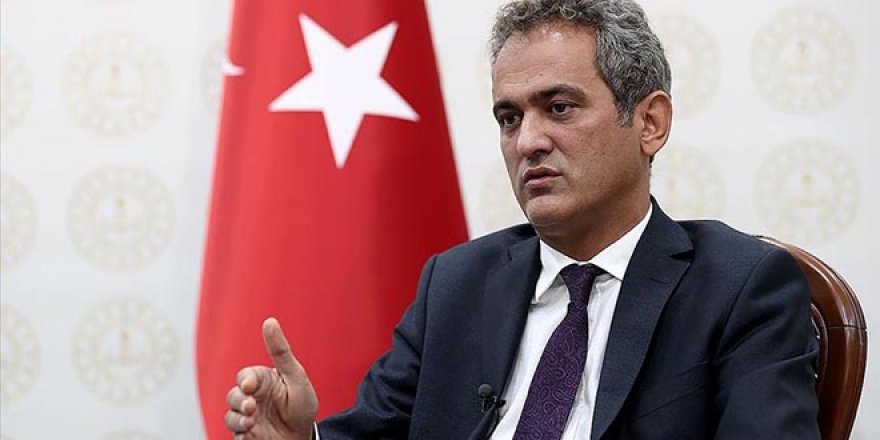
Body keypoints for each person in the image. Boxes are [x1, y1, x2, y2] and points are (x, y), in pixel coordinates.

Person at [224, 0, 820, 438]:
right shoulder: (455, 284)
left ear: (649, 123)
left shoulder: (740, 287)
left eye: (558, 108)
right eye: (509, 118)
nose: (528, 141)